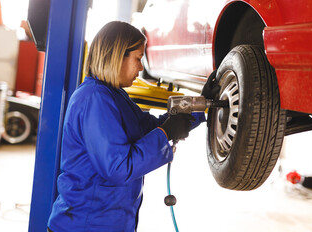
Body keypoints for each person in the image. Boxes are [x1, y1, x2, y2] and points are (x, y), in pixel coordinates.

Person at [47, 21, 213, 232]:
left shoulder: (114, 96)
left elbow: (148, 127)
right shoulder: (94, 99)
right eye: (138, 58)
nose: (141, 67)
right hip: (85, 225)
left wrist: (202, 105)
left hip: (108, 222)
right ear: (117, 56)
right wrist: (166, 133)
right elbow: (118, 167)